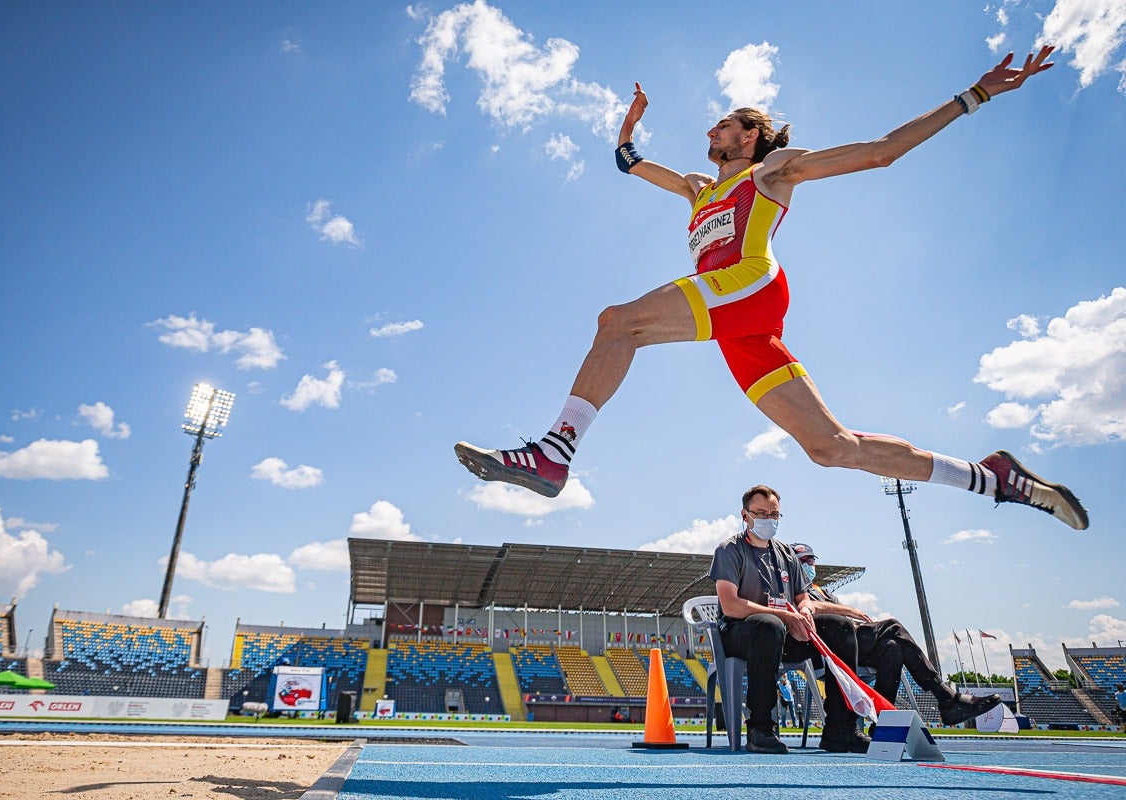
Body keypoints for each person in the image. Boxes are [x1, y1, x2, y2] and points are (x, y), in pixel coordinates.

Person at [454, 48, 1087, 532]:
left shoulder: (774, 171)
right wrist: (627, 129)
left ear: (750, 134)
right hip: (738, 321)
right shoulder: (699, 187)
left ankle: (553, 452)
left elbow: (880, 152)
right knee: (832, 448)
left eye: (726, 122)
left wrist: (975, 94)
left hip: (750, 285)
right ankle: (992, 478)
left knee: (619, 322)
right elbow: (630, 164)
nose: (715, 127)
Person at [709, 485, 868, 754]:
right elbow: (731, 605)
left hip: (782, 633)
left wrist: (804, 611)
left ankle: (841, 729)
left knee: (840, 627)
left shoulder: (786, 554)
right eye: (760, 513)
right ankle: (761, 728)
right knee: (768, 625)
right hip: (740, 634)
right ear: (744, 515)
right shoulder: (729, 550)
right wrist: (783, 615)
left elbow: (801, 597)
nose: (768, 520)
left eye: (774, 514)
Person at [791, 542, 1002, 727]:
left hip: (853, 644)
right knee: (893, 626)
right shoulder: (792, 587)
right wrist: (849, 610)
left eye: (811, 559)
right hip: (824, 651)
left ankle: (883, 722)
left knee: (892, 648)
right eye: (803, 560)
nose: (808, 564)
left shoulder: (822, 591)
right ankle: (946, 696)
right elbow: (809, 608)